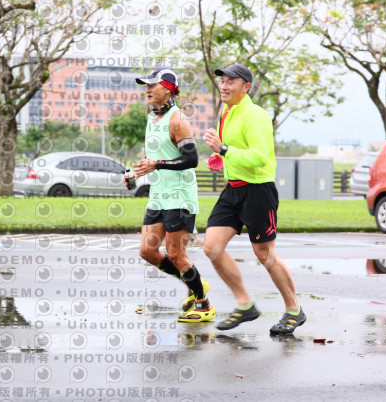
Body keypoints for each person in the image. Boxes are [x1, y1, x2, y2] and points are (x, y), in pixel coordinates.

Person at [202, 63, 305, 334]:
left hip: (258, 191)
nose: (224, 86)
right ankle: (244, 304)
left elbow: (260, 157)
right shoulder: (227, 111)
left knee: (265, 255)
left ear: (246, 87)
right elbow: (233, 151)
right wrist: (219, 156)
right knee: (212, 248)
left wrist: (224, 149)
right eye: (222, 81)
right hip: (232, 190)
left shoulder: (255, 115)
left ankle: (294, 309)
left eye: (231, 81)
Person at [127, 67, 215, 323]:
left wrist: (157, 164)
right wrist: (136, 173)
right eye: (146, 85)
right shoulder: (152, 118)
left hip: (179, 196)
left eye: (152, 85)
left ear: (168, 89)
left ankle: (204, 304)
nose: (147, 90)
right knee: (147, 251)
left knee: (176, 255)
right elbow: (156, 157)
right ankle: (195, 281)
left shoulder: (178, 120)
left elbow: (191, 159)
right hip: (158, 196)